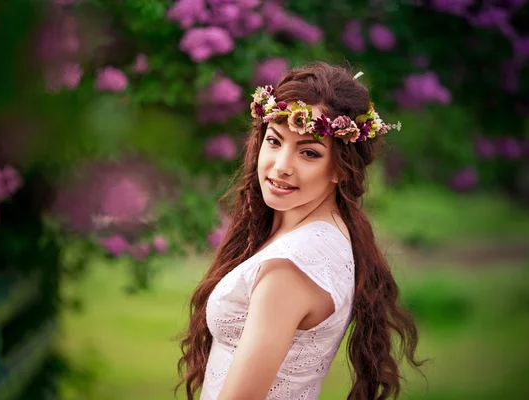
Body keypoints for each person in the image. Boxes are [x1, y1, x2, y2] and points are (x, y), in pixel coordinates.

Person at [175, 62, 425, 400]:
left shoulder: (291, 268)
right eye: (275, 141)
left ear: (341, 168)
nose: (281, 167)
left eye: (309, 152)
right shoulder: (324, 235)